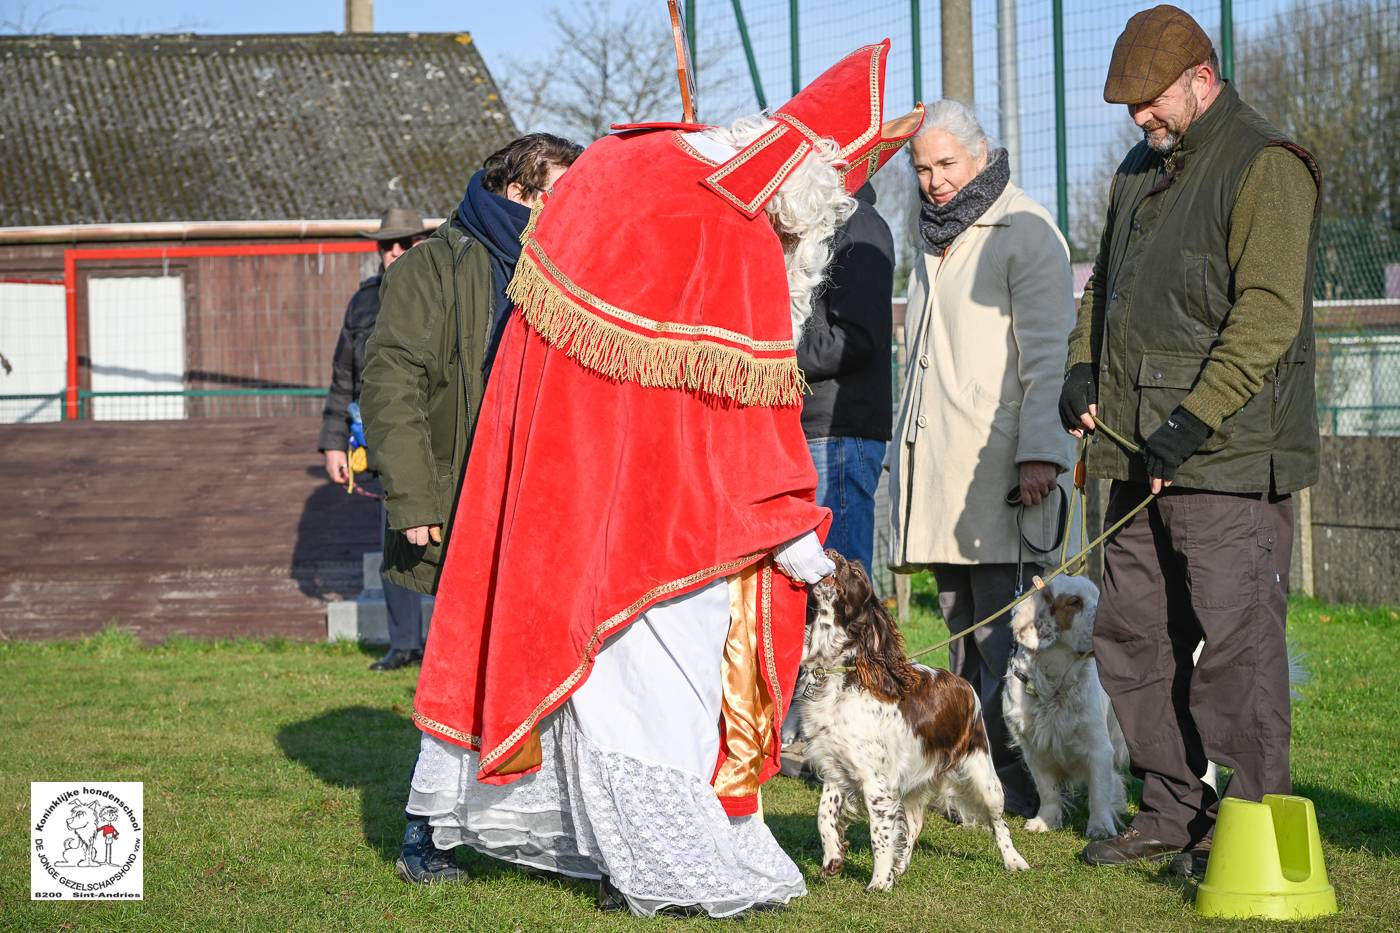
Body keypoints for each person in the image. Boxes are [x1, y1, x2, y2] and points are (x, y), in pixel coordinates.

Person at [402, 41, 924, 917]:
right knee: (666, 700)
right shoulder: (733, 229)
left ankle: (622, 858)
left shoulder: (627, 167)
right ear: (804, 182)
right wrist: (802, 548)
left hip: (570, 487)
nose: (813, 243)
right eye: (817, 220)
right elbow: (746, 424)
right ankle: (655, 863)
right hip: (671, 525)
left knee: (606, 687)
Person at [1059, 5, 1320, 879]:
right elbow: (1104, 291)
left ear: (1201, 79)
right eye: (1131, 106)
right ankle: (1171, 809)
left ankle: (1243, 832)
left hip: (1227, 457)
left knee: (1236, 647)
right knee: (1132, 636)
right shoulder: (1140, 169)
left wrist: (1192, 419)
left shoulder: (1265, 165)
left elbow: (1268, 315)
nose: (1139, 119)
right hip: (1132, 452)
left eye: (1151, 102)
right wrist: (1081, 371)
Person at [359, 133, 583, 883]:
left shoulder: (566, 269)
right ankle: (427, 834)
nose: (568, 208)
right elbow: (391, 383)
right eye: (557, 192)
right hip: (465, 501)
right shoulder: (432, 266)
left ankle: (546, 830)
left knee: (555, 674)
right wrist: (415, 497)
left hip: (548, 505)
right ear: (518, 191)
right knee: (463, 672)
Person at [888, 99, 1076, 820]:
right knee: (962, 629)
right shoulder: (928, 227)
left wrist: (1040, 455)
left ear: (982, 154)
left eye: (947, 165)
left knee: (1011, 634)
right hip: (940, 466)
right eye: (923, 166)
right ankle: (959, 777)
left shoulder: (1026, 231)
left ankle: (1022, 782)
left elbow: (1048, 355)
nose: (934, 181)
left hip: (1003, 468)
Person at [781, 180, 895, 764]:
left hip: (839, 428)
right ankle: (811, 724)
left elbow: (858, 340)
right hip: (806, 424)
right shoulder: (816, 231)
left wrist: (775, 345)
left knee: (840, 586)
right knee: (806, 587)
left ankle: (854, 725)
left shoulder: (859, 229)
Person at [318, 207, 429, 671]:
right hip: (383, 442)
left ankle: (452, 647)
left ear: (420, 245)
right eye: (387, 245)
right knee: (396, 545)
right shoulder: (363, 303)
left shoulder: (441, 293)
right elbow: (344, 376)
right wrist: (332, 441)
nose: (394, 252)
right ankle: (404, 644)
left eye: (404, 243)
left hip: (435, 438)